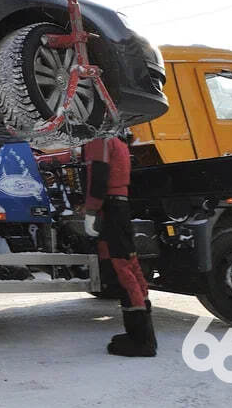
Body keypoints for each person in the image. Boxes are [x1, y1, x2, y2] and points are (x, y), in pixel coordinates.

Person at [84, 133, 156, 357]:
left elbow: (98, 175)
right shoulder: (119, 141)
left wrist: (91, 210)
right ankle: (144, 335)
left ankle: (140, 341)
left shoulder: (99, 139)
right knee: (131, 265)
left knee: (122, 269)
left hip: (111, 208)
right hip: (120, 205)